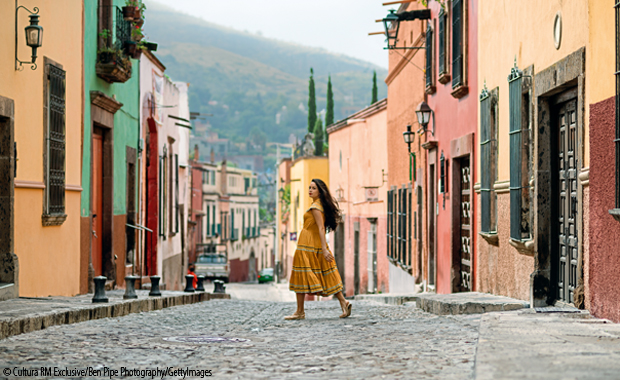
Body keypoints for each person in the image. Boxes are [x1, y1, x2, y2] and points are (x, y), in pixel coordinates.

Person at [285, 178, 352, 320]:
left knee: (300, 274)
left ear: (320, 192)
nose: (310, 190)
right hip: (315, 243)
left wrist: (324, 248)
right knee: (328, 272)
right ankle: (344, 302)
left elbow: (321, 227)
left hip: (307, 244)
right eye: (309, 187)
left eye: (314, 188)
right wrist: (323, 248)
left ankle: (299, 312)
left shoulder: (316, 207)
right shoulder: (320, 205)